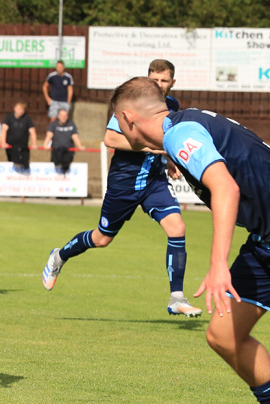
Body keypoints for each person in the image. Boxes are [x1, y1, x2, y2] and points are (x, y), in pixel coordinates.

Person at [110, 75, 270, 404]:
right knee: (223, 335)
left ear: (127, 118)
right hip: (269, 239)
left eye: (116, 124)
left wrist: (216, 265)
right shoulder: (183, 130)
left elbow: (225, 189)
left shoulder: (180, 134)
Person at [42, 59, 200, 317]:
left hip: (153, 181)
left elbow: (167, 139)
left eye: (164, 80)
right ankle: (59, 256)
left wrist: (170, 161)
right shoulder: (132, 102)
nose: (159, 85)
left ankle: (176, 297)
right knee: (102, 239)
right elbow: (110, 138)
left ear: (173, 83)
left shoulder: (172, 107)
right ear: (147, 78)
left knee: (177, 228)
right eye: (155, 79)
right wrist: (149, 147)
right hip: (124, 184)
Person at [44, 108, 83, 173]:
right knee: (56, 166)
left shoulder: (71, 124)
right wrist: (45, 144)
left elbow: (75, 136)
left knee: (66, 167)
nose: (64, 117)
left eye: (65, 115)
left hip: (68, 150)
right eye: (62, 115)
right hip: (56, 150)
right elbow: (49, 136)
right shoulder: (53, 124)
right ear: (58, 116)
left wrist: (80, 146)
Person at [0, 102, 36, 170]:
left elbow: (32, 131)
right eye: (19, 109)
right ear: (15, 109)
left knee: (24, 163)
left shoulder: (27, 118)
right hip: (11, 146)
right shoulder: (9, 117)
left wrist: (34, 143)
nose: (21, 111)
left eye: (22, 110)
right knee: (12, 161)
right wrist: (3, 142)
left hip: (23, 146)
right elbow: (4, 130)